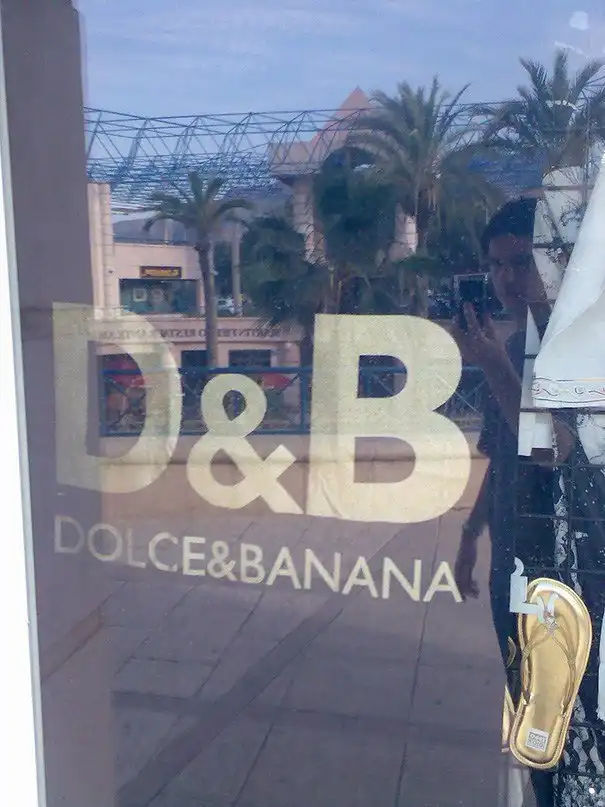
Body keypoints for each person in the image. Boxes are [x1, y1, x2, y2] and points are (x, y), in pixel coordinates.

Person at [451, 197, 562, 807]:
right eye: (495, 265)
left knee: (566, 714)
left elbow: (551, 451)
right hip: (513, 561)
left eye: (520, 262)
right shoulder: (516, 343)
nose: (505, 279)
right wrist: (472, 534)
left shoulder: (578, 349)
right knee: (528, 705)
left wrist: (493, 364)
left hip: (567, 573)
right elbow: (502, 455)